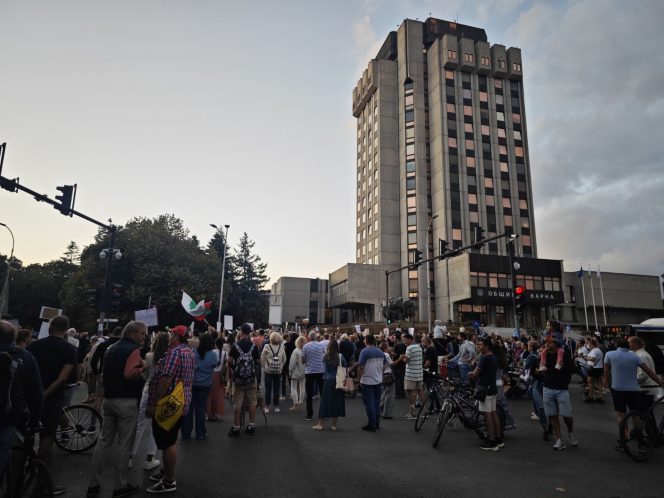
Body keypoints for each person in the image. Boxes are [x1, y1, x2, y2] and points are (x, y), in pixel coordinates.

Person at [87, 321, 147, 498]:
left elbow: (105, 371)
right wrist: (143, 368)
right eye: (142, 333)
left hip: (109, 399)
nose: (144, 337)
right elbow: (129, 373)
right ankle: (120, 485)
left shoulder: (111, 348)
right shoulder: (133, 349)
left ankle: (93, 484)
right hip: (126, 400)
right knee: (123, 444)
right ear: (132, 333)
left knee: (103, 442)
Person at [26, 315, 77, 495]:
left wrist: (35, 394)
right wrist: (45, 395)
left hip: (30, 396)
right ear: (66, 330)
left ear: (50, 328)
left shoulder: (34, 346)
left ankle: (19, 475)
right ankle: (42, 482)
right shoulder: (70, 349)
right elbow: (63, 377)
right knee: (47, 438)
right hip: (53, 398)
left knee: (26, 434)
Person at [145, 325, 195, 494]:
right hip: (181, 400)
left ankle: (168, 480)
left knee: (167, 441)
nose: (169, 336)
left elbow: (166, 379)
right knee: (170, 439)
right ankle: (166, 471)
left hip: (168, 402)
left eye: (171, 333)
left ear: (177, 336)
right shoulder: (189, 352)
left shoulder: (174, 352)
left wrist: (154, 403)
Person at [0, 320, 43, 481]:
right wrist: (34, 421)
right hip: (7, 417)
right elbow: (37, 393)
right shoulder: (25, 357)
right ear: (13, 337)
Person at [604, 338, 664, 449]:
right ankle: (640, 439)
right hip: (633, 390)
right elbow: (649, 372)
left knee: (621, 415)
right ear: (627, 346)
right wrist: (661, 383)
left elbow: (606, 371)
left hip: (617, 389)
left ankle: (623, 439)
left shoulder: (609, 354)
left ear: (617, 345)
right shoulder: (635, 356)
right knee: (636, 415)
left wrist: (607, 383)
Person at [130, 331, 169, 471]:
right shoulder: (169, 357)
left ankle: (130, 456)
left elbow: (144, 375)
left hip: (147, 391)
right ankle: (149, 458)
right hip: (162, 393)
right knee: (156, 426)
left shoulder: (148, 356)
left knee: (140, 424)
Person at [541, 336, 578, 451]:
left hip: (561, 389)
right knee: (552, 415)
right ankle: (559, 439)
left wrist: (563, 369)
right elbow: (539, 366)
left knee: (566, 415)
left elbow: (573, 369)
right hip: (548, 388)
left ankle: (570, 431)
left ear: (556, 344)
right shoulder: (544, 354)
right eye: (546, 342)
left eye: (550, 343)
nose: (547, 344)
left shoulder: (564, 355)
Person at [182, 333, 217, 440]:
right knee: (201, 409)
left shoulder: (193, 353)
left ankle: (186, 433)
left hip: (192, 384)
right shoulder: (213, 355)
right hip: (205, 385)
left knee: (188, 409)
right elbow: (214, 365)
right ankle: (200, 433)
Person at [227, 323, 260, 437]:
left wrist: (234, 368)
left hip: (239, 380)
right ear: (249, 332)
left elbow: (229, 361)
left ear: (241, 332)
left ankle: (236, 427)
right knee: (252, 402)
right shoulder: (253, 346)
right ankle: (251, 425)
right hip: (251, 379)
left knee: (238, 403)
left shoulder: (235, 345)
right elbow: (258, 361)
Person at [470, 338, 501, 451]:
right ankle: (499, 439)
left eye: (480, 345)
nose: (478, 346)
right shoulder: (493, 357)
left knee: (487, 415)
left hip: (484, 389)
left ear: (487, 346)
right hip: (492, 388)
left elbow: (475, 374)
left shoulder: (484, 357)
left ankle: (491, 442)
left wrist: (471, 372)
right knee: (493, 413)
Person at [312, 340, 346, 431]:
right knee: (336, 402)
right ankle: (334, 425)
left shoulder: (325, 356)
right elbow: (345, 367)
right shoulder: (340, 356)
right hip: (338, 381)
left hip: (328, 381)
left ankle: (320, 424)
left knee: (324, 402)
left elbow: (324, 368)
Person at [355, 334, 386, 432]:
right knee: (376, 402)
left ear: (366, 341)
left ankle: (371, 424)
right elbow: (384, 365)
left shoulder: (364, 352)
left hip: (367, 380)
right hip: (378, 380)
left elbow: (360, 367)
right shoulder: (380, 352)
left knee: (369, 404)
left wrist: (358, 380)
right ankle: (376, 422)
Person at [260, 332, 287, 414]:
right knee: (277, 388)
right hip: (278, 371)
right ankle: (276, 406)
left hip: (268, 370)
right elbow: (284, 359)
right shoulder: (281, 347)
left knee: (268, 388)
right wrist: (281, 366)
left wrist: (265, 366)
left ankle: (267, 406)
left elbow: (262, 358)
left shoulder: (267, 346)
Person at [302, 331, 326, 421]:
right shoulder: (321, 345)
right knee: (322, 393)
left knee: (309, 394)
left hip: (309, 372)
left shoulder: (306, 346)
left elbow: (303, 361)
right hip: (320, 370)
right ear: (316, 337)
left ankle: (309, 415)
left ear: (309, 337)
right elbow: (324, 357)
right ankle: (324, 414)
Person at [400, 332, 424, 420]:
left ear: (410, 339)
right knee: (420, 392)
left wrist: (402, 358)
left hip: (411, 374)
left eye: (405, 340)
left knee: (412, 392)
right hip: (419, 373)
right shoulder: (419, 347)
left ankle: (411, 412)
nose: (404, 342)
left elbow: (406, 360)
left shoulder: (409, 348)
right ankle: (425, 411)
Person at [207, 336, 228, 421]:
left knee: (209, 395)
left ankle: (209, 413)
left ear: (215, 344)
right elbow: (226, 365)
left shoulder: (211, 352)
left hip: (210, 374)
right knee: (218, 395)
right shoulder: (225, 353)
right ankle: (214, 413)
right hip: (220, 376)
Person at [379, 342, 397, 419]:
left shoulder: (380, 354)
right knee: (389, 395)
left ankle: (378, 409)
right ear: (385, 348)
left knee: (384, 394)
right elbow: (392, 364)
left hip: (383, 374)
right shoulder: (386, 355)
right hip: (389, 374)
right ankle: (387, 413)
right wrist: (400, 359)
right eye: (388, 346)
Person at [289, 336, 306, 412]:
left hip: (295, 372)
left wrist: (290, 372)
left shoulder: (295, 351)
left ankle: (295, 404)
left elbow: (292, 363)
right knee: (302, 387)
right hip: (304, 371)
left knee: (294, 387)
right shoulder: (305, 350)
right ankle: (300, 404)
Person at [586, 338, 605, 402]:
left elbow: (593, 359)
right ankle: (600, 397)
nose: (588, 346)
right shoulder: (599, 350)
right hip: (600, 368)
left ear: (592, 344)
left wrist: (587, 358)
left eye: (589, 344)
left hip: (594, 368)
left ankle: (590, 397)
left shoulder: (594, 350)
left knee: (590, 382)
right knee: (599, 383)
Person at [392, 332, 406, 399]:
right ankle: (402, 393)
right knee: (402, 379)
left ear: (397, 339)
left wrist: (390, 352)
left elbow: (395, 354)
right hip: (402, 363)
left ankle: (397, 393)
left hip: (397, 363)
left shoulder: (396, 345)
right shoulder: (404, 345)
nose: (393, 339)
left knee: (397, 379)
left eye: (394, 338)